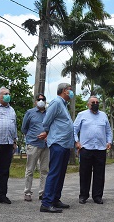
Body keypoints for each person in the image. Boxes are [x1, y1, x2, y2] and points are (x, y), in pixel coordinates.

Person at [39, 83, 75, 213]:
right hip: (58, 143)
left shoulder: (64, 105)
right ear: (64, 91)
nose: (71, 93)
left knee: (60, 174)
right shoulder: (56, 102)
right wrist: (48, 132)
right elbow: (46, 121)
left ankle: (55, 199)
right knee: (54, 173)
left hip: (65, 144)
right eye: (70, 90)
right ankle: (46, 203)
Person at [74, 96, 112, 205]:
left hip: (100, 149)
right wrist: (77, 142)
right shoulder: (82, 115)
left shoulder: (103, 115)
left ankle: (98, 196)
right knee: (85, 173)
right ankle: (83, 196)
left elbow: (108, 131)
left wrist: (109, 142)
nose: (95, 103)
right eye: (93, 102)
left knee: (99, 174)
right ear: (88, 104)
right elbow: (74, 129)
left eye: (97, 102)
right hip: (86, 148)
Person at [21, 93, 49, 202]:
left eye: (43, 99)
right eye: (39, 99)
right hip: (33, 144)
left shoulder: (49, 113)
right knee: (30, 170)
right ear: (35, 101)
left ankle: (43, 192)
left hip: (46, 145)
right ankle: (27, 192)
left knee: (44, 170)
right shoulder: (30, 113)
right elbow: (24, 128)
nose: (41, 101)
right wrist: (31, 137)